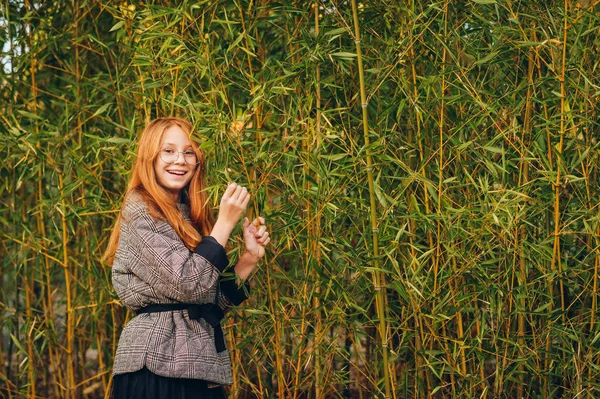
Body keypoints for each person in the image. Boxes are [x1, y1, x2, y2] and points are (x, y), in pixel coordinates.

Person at [103, 117, 270, 398]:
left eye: (189, 151)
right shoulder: (140, 208)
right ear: (150, 157)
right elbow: (188, 284)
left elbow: (209, 303)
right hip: (156, 364)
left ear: (197, 161)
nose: (179, 160)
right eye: (168, 151)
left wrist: (249, 258)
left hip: (197, 362)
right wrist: (225, 223)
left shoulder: (188, 213)